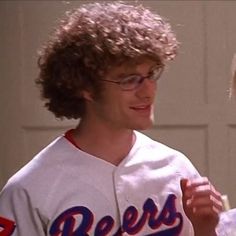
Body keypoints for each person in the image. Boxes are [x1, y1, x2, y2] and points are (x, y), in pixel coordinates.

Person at [0, 2, 223, 235]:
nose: (148, 91)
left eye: (150, 75)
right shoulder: (29, 189)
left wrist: (204, 229)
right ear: (85, 86)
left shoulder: (176, 169)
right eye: (129, 79)